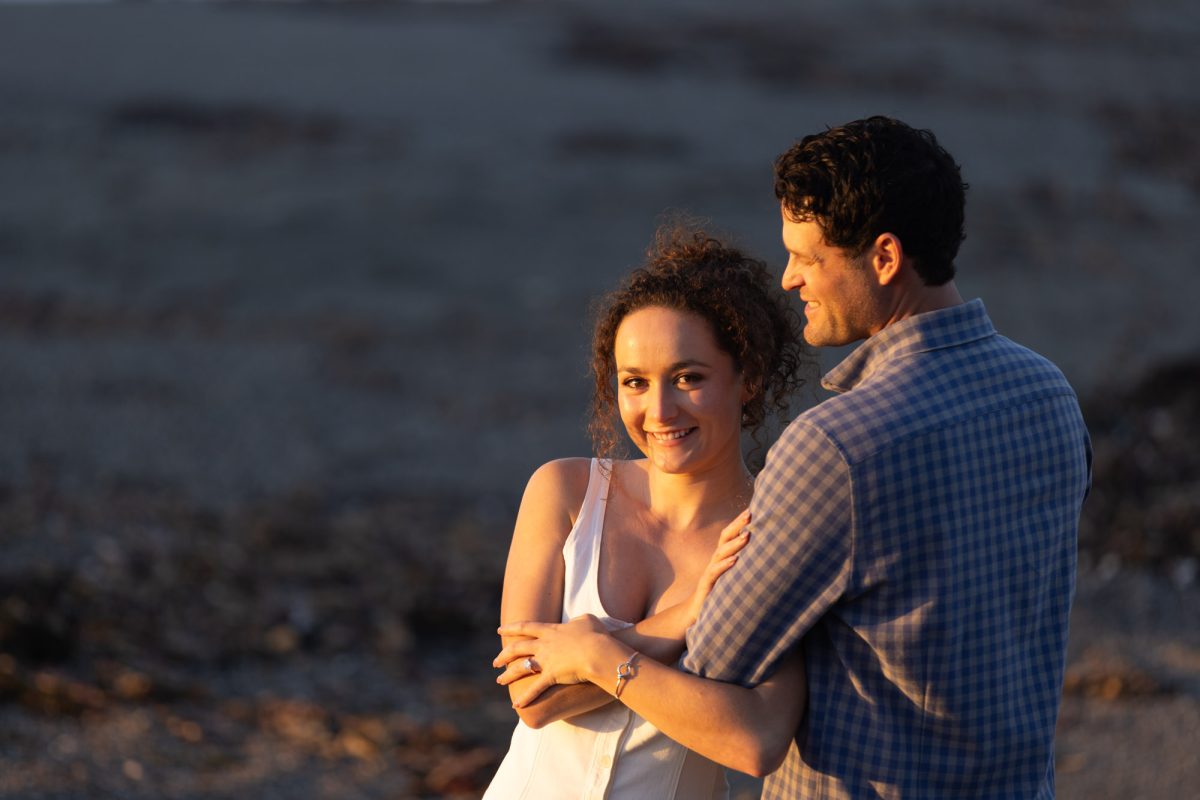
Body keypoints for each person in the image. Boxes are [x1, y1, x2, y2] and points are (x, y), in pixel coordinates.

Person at [495, 116, 1093, 799]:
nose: (789, 279)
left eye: (808, 258)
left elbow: (720, 656)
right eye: (634, 380)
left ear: (886, 258)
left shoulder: (837, 446)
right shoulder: (1051, 395)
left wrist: (601, 652)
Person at [482, 226, 812, 799]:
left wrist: (594, 652)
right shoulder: (562, 492)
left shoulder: (774, 532)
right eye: (635, 382)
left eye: (689, 378)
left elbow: (756, 740)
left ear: (749, 377)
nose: (659, 411)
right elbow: (531, 701)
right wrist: (684, 620)